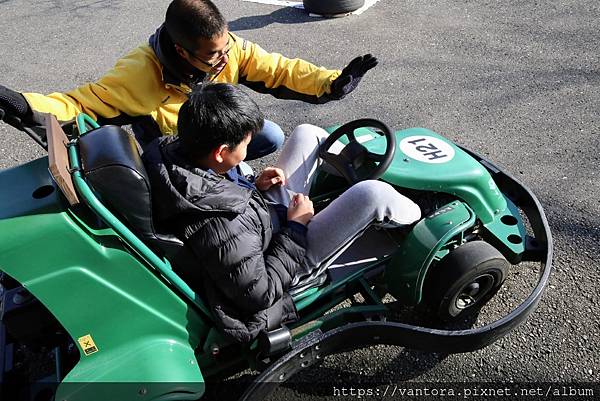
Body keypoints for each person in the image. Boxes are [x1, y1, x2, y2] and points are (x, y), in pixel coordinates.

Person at [142, 83, 421, 343]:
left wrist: (251, 186)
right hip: (283, 264)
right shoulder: (219, 226)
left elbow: (219, 196)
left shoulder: (175, 154)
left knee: (307, 132)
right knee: (372, 194)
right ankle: (421, 220)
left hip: (258, 222)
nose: (248, 148)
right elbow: (259, 293)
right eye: (245, 144)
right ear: (221, 153)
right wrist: (297, 227)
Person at [0, 0, 378, 160]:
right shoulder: (138, 72)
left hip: (216, 130)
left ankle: (232, 171)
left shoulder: (228, 47)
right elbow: (79, 105)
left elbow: (278, 69)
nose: (226, 56)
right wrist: (22, 103)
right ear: (182, 51)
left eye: (226, 44)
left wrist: (331, 82)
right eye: (214, 54)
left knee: (272, 136)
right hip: (173, 146)